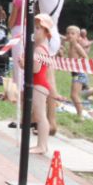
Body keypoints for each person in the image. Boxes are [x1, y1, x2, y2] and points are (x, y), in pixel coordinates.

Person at [36, 0, 65, 135]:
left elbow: (27, 5)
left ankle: (50, 122)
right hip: (54, 33)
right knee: (49, 79)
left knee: (45, 80)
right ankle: (49, 120)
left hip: (45, 35)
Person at [23, 13, 55, 154]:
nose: (34, 31)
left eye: (38, 28)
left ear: (46, 32)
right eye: (34, 27)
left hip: (38, 84)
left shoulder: (39, 49)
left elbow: (35, 68)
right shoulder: (42, 47)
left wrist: (24, 64)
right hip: (40, 84)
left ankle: (42, 146)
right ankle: (41, 145)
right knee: (38, 115)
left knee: (40, 116)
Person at [64, 25, 91, 118]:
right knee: (74, 95)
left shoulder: (76, 46)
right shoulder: (69, 46)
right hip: (75, 74)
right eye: (68, 33)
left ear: (78, 36)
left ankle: (80, 115)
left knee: (74, 95)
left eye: (72, 33)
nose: (69, 35)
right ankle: (80, 112)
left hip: (79, 74)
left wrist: (78, 63)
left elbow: (85, 57)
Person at [7, 0, 27, 92]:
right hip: (30, 30)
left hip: (18, 30)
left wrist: (8, 22)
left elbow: (12, 21)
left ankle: (18, 89)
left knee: (17, 60)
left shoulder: (18, 0)